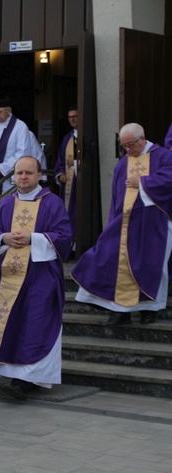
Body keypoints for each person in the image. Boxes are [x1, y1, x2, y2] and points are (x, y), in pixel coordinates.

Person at [0, 156, 72, 399]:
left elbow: (64, 235)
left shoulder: (52, 203)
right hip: (6, 272)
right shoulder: (7, 204)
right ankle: (1, 372)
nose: (23, 177)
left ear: (40, 175)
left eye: (29, 173)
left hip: (40, 274)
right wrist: (4, 238)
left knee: (35, 322)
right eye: (19, 173)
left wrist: (34, 238)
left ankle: (28, 379)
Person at [72, 123, 172, 326]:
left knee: (153, 265)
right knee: (117, 262)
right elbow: (117, 199)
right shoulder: (122, 164)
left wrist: (143, 182)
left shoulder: (163, 156)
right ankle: (120, 310)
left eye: (132, 145)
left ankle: (150, 310)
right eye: (124, 146)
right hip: (125, 223)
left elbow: (169, 180)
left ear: (143, 138)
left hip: (156, 223)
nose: (128, 150)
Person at [54, 106, 79, 241]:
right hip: (70, 183)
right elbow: (60, 160)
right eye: (70, 117)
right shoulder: (67, 138)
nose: (73, 119)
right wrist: (61, 173)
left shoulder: (86, 135)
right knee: (69, 212)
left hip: (81, 183)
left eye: (75, 116)